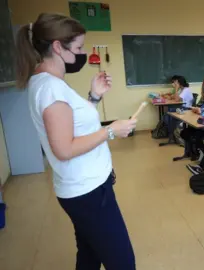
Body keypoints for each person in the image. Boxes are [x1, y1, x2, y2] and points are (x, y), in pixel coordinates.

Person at [17, 13, 136, 269]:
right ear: (58, 47)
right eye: (79, 47)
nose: (82, 54)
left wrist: (93, 97)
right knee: (123, 262)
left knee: (89, 254)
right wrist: (111, 131)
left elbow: (70, 124)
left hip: (84, 187)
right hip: (88, 192)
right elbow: (64, 148)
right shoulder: (51, 88)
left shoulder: (49, 83)